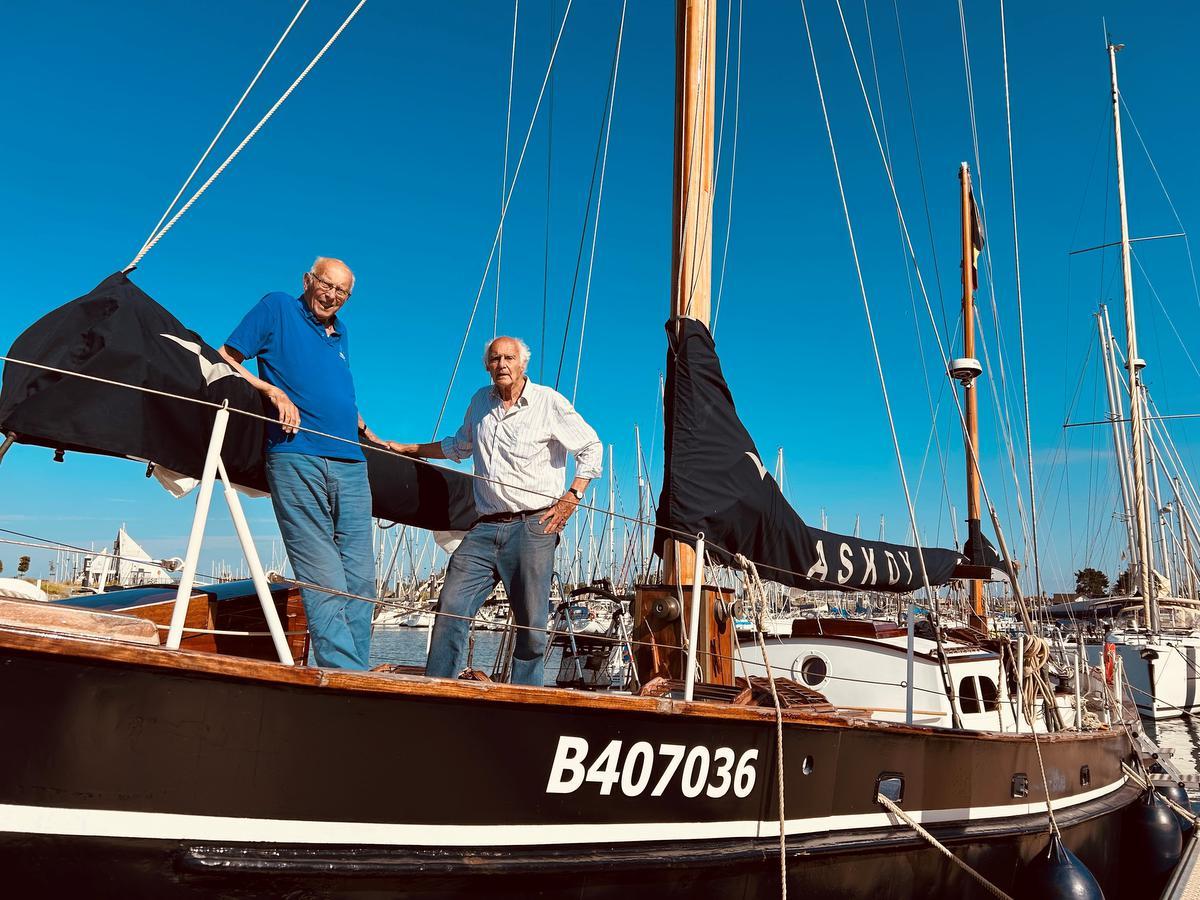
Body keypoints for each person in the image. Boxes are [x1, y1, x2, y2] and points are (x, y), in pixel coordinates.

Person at [394, 336, 602, 686]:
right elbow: (459, 445)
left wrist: (571, 498)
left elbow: (591, 447)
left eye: (509, 358)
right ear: (487, 365)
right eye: (494, 359)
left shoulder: (547, 402)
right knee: (450, 606)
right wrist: (410, 448)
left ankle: (525, 696)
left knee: (531, 624)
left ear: (523, 364)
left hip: (534, 525)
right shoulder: (480, 402)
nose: (501, 364)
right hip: (485, 527)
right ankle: (437, 689)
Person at [218, 257, 392, 670]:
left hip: (350, 459)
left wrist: (364, 426)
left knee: (362, 579)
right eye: (325, 285)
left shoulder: (341, 331)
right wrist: (271, 392)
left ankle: (357, 670)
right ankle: (345, 675)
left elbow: (332, 386)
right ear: (307, 280)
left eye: (342, 292)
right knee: (324, 576)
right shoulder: (278, 306)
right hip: (296, 455)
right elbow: (224, 357)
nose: (331, 296)